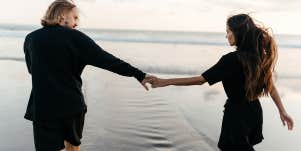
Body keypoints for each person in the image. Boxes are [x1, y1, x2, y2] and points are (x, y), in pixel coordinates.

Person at [145, 14, 294, 151]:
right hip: (254, 112)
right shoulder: (258, 58)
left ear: (238, 32)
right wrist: (282, 111)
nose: (226, 35)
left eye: (229, 31)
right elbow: (271, 87)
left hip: (236, 114)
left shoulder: (230, 60)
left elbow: (200, 80)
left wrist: (165, 82)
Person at [23, 0, 152, 151]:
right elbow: (108, 61)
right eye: (75, 17)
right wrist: (139, 75)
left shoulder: (31, 38)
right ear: (62, 16)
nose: (77, 23)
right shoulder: (76, 37)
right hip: (70, 105)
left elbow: (32, 70)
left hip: (43, 106)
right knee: (72, 147)